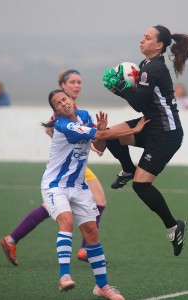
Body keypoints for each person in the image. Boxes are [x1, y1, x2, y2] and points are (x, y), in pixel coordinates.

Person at [40, 89, 148, 297]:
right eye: (58, 103)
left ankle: (102, 287)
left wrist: (99, 130)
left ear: (71, 99)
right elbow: (103, 135)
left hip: (79, 186)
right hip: (55, 185)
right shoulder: (64, 125)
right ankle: (64, 276)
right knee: (67, 222)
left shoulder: (84, 116)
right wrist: (135, 128)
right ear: (55, 111)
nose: (64, 103)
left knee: (91, 233)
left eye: (65, 99)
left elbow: (99, 144)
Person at [102, 25, 188, 256]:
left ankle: (174, 226)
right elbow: (144, 102)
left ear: (159, 45)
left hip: (165, 135)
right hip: (151, 124)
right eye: (143, 36)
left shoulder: (153, 69)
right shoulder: (146, 65)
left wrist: (120, 88)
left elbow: (138, 103)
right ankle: (127, 169)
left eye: (147, 38)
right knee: (113, 136)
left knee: (141, 185)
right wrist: (124, 86)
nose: (141, 40)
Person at [0, 70, 107, 265]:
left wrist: (90, 143)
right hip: (64, 168)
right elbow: (52, 129)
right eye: (73, 82)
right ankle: (86, 249)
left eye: (79, 82)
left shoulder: (76, 109)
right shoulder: (61, 108)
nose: (77, 86)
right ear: (63, 86)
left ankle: (12, 239)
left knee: (88, 202)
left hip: (75, 165)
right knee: (97, 200)